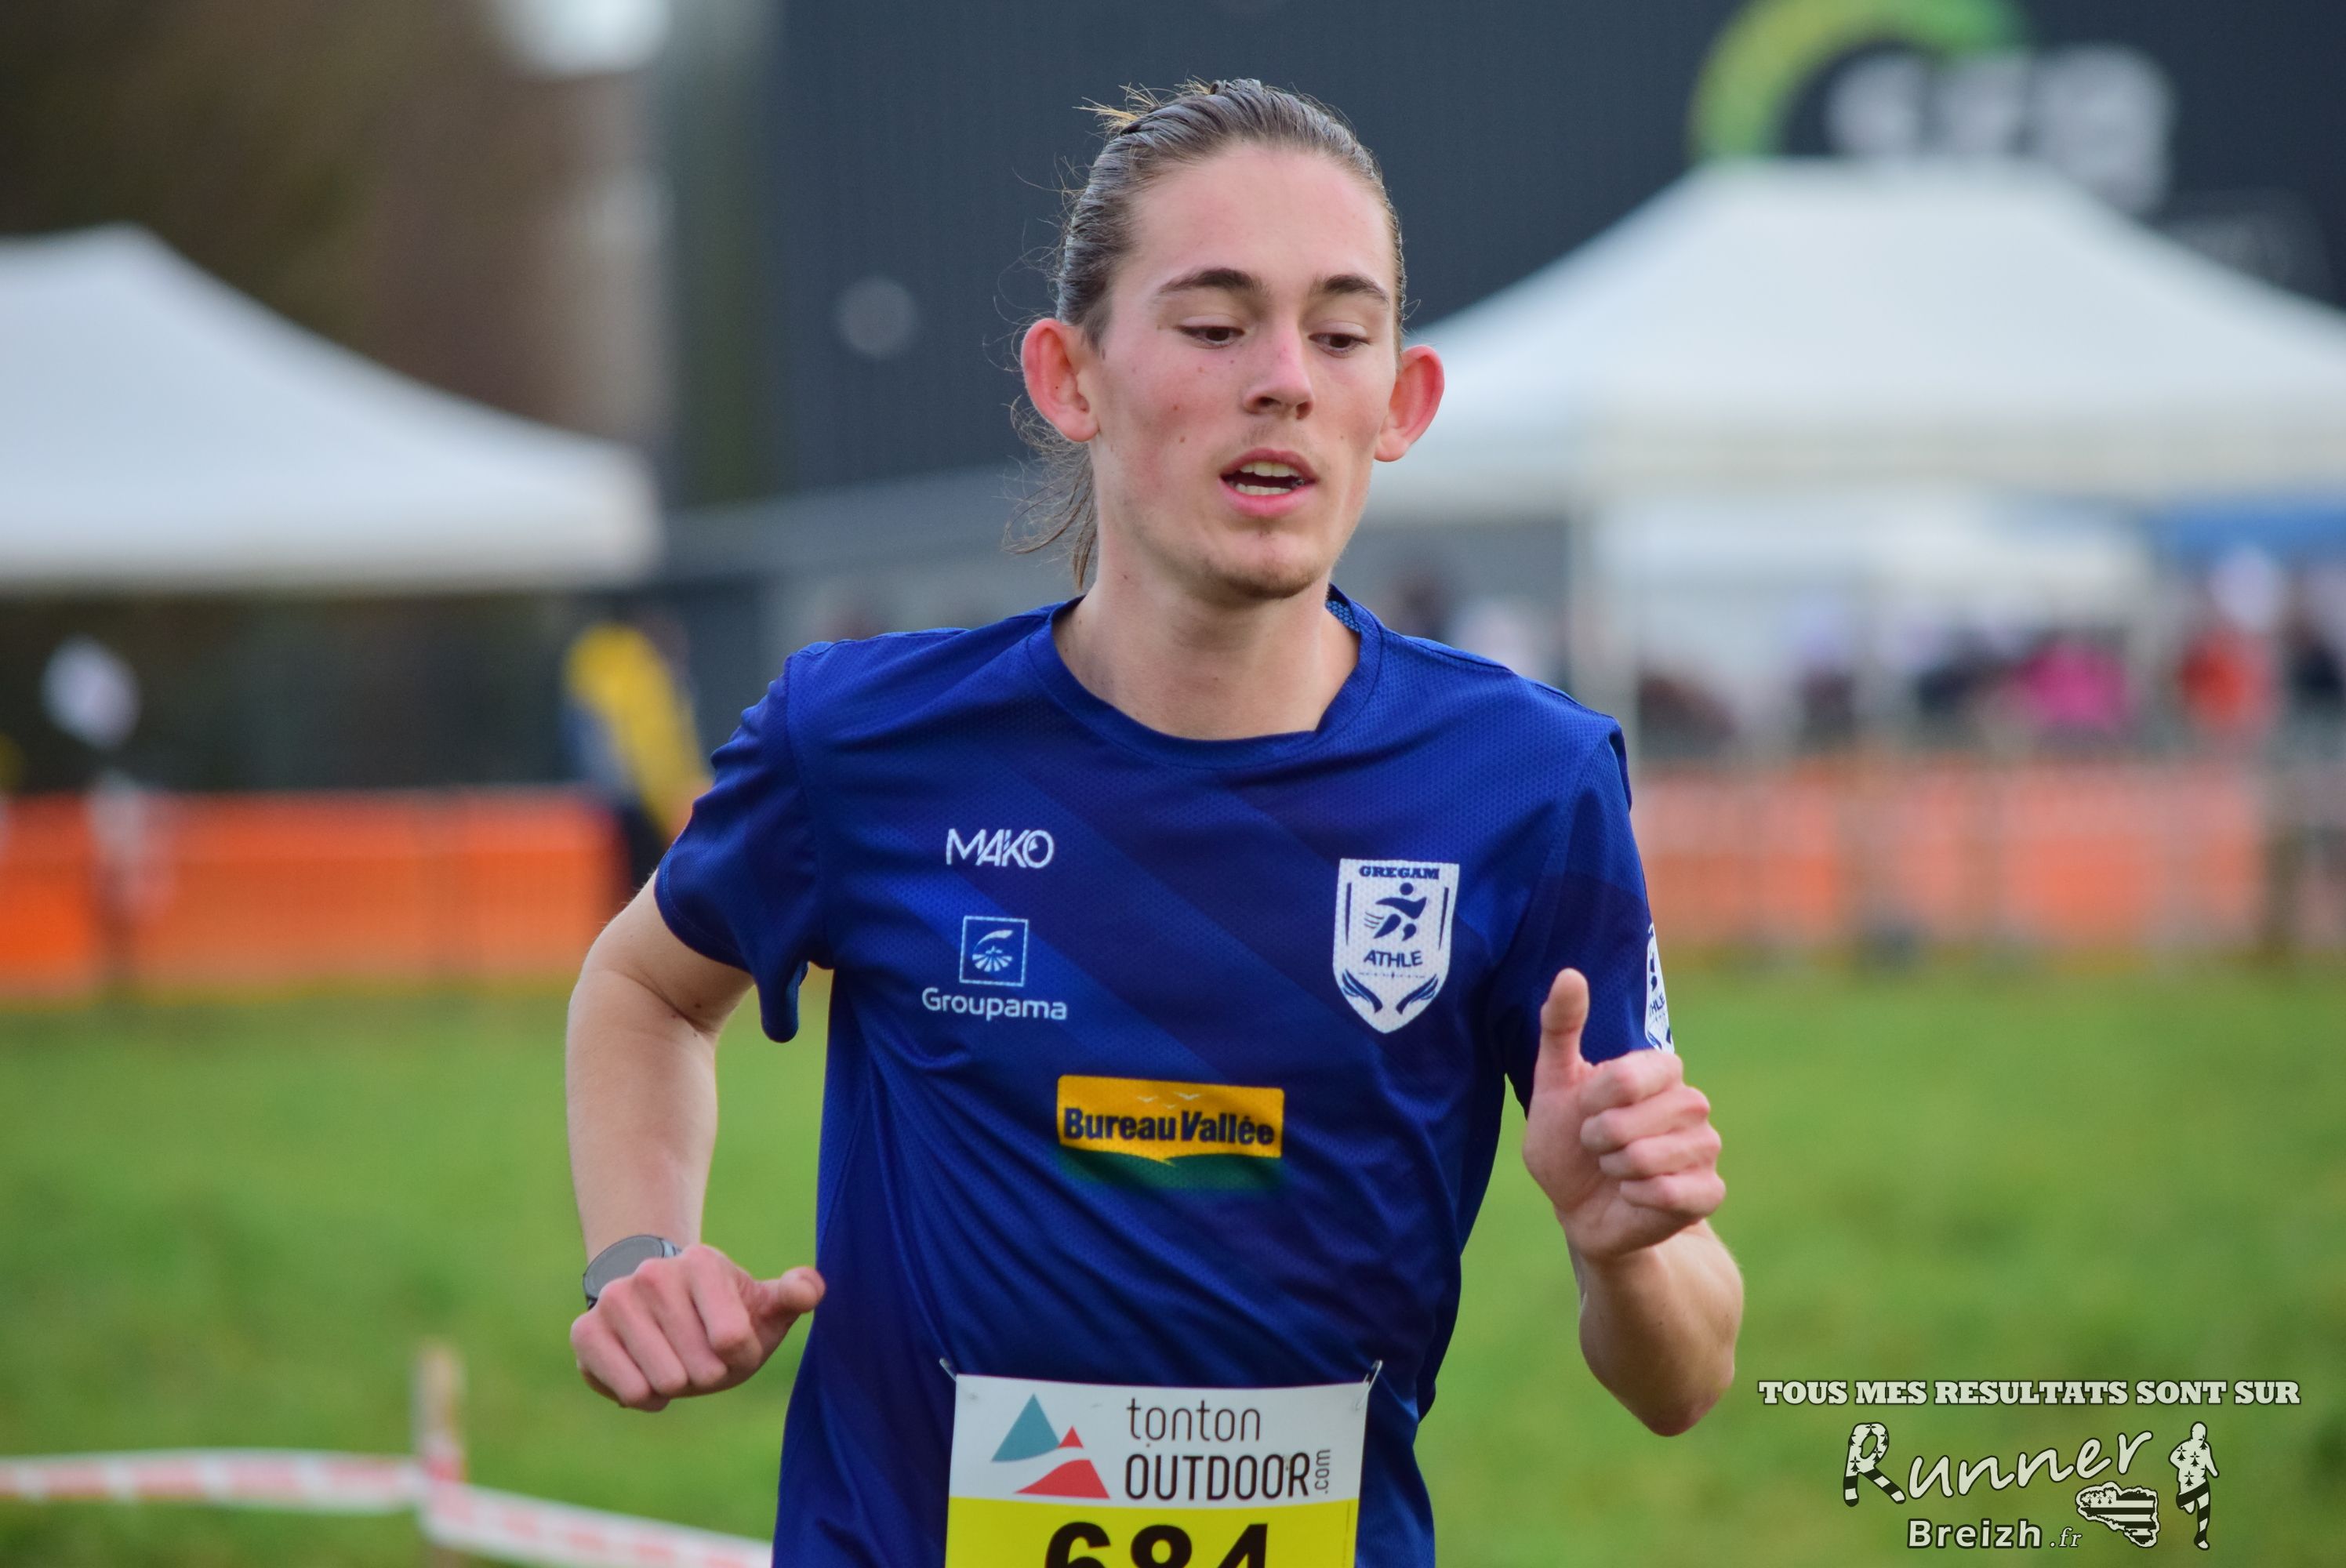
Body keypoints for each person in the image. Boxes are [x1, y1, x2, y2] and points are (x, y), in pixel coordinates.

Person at [565, 79, 1740, 1566]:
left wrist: (1618, 1247)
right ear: (1071, 378)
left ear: (1403, 402)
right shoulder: (858, 742)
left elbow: (1685, 1375)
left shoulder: (1527, 784)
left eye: (1341, 334)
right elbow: (646, 987)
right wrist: (642, 1253)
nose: (1285, 381)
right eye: (1214, 325)